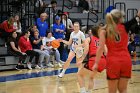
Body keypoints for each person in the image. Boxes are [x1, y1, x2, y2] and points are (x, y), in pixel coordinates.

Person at [93, 9, 140, 93]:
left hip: (113, 62)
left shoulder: (104, 30)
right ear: (120, 19)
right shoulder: (125, 26)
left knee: (112, 91)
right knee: (123, 90)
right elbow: (137, 17)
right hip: (126, 61)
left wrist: (96, 63)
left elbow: (100, 48)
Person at [76, 26, 107, 93]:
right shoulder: (102, 40)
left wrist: (81, 60)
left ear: (92, 32)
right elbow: (106, 52)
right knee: (91, 77)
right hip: (103, 61)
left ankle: (83, 91)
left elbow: (86, 50)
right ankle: (89, 92)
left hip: (94, 60)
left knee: (79, 75)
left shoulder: (89, 39)